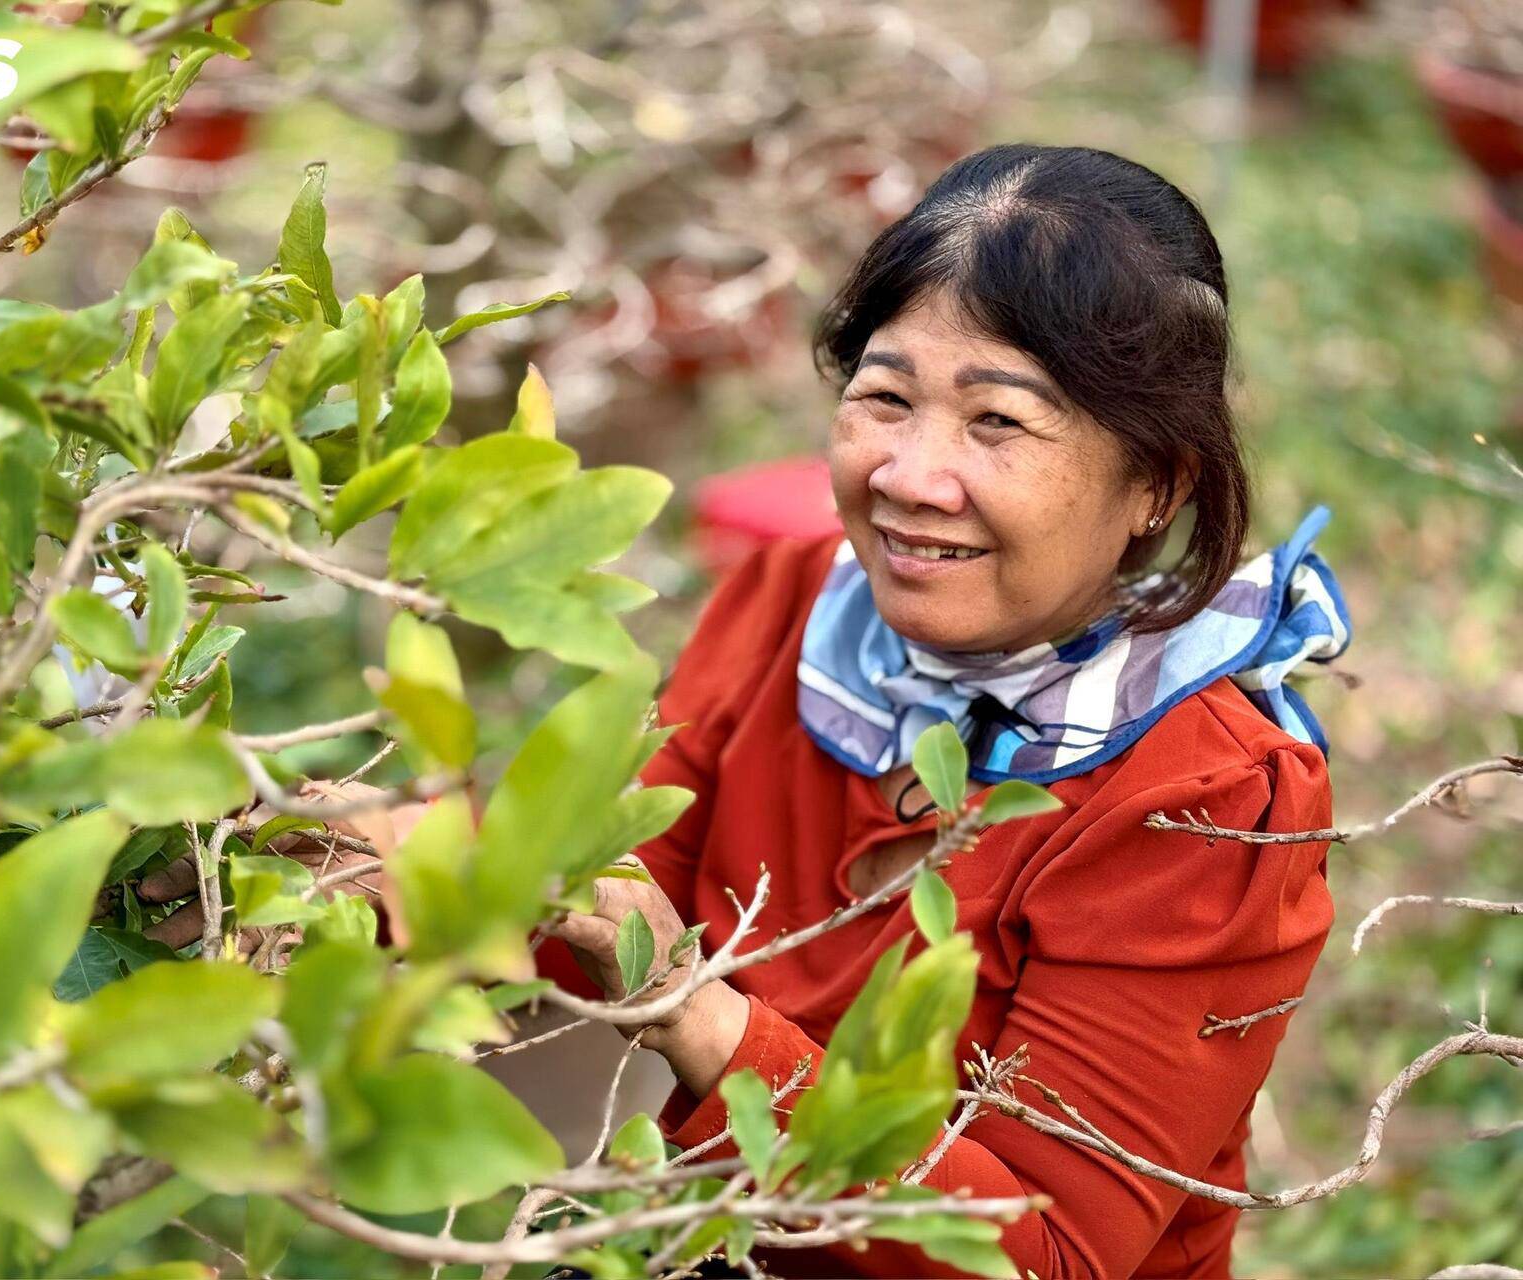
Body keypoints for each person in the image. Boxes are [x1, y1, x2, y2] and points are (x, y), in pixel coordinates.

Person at [245, 142, 1352, 1278]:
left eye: (998, 422)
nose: (910, 476)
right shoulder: (796, 610)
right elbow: (621, 888)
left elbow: (1048, 1251)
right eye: (886, 398)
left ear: (1156, 482)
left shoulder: (1208, 796)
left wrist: (696, 1010)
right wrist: (389, 871)